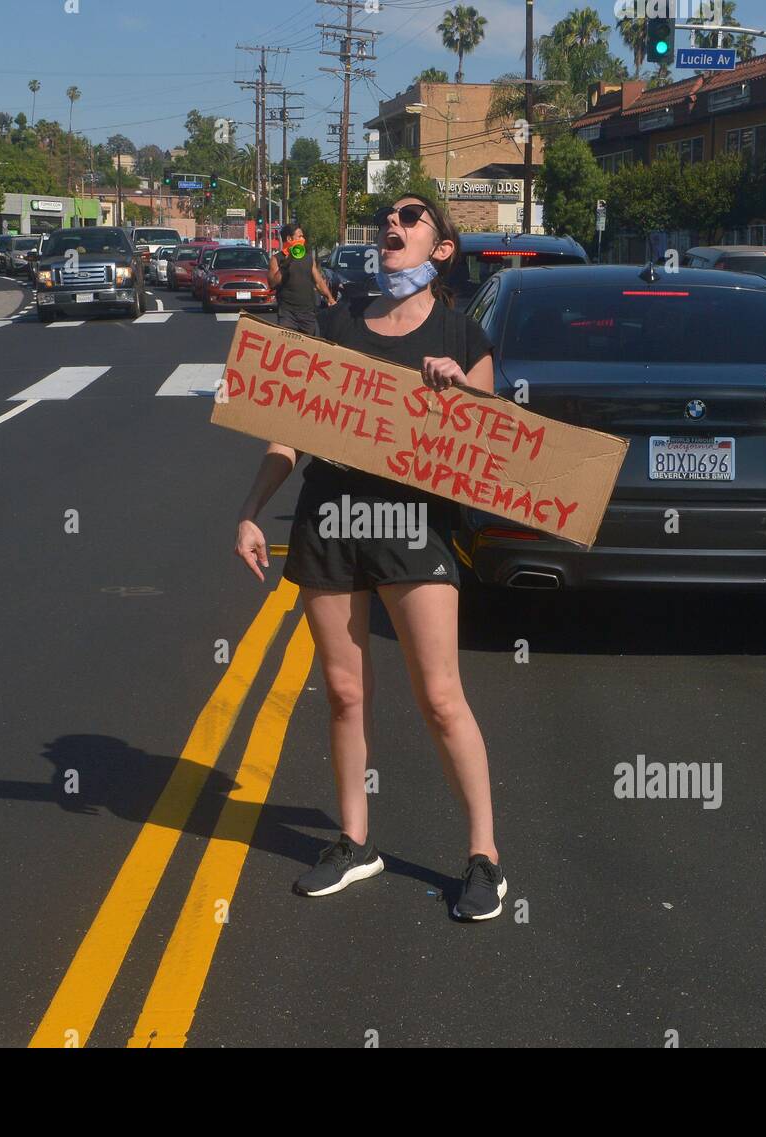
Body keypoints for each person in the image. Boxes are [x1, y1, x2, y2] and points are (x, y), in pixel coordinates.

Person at [234, 194, 507, 921]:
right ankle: (355, 842)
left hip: (414, 523)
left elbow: (492, 452)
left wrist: (461, 400)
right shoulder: (337, 323)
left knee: (440, 697)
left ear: (442, 249)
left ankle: (485, 857)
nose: (395, 225)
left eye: (413, 219)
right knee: (346, 691)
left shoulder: (464, 336)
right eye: (389, 217)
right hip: (332, 518)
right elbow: (289, 428)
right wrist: (251, 511)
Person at [267, 222, 336, 334]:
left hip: (307, 313)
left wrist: (330, 298)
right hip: (287, 314)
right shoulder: (277, 259)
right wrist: (286, 263)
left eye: (303, 236)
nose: (303, 239)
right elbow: (272, 283)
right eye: (299, 236)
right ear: (289, 239)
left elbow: (318, 281)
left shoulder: (308, 258)